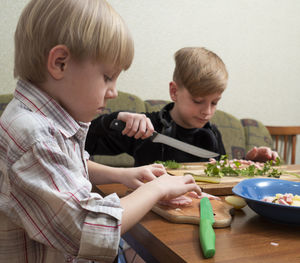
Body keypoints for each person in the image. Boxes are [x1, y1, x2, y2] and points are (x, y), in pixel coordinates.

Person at [0, 1, 202, 262]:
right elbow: (88, 229)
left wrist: (122, 174)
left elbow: (69, 165)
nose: (114, 91)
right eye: (108, 76)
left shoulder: (42, 120)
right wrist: (157, 189)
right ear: (60, 63)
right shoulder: (33, 134)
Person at [85, 47, 279, 166]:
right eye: (197, 101)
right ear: (174, 92)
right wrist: (113, 120)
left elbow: (219, 174)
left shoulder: (212, 134)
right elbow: (85, 143)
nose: (207, 111)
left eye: (215, 102)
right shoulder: (146, 128)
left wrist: (250, 163)